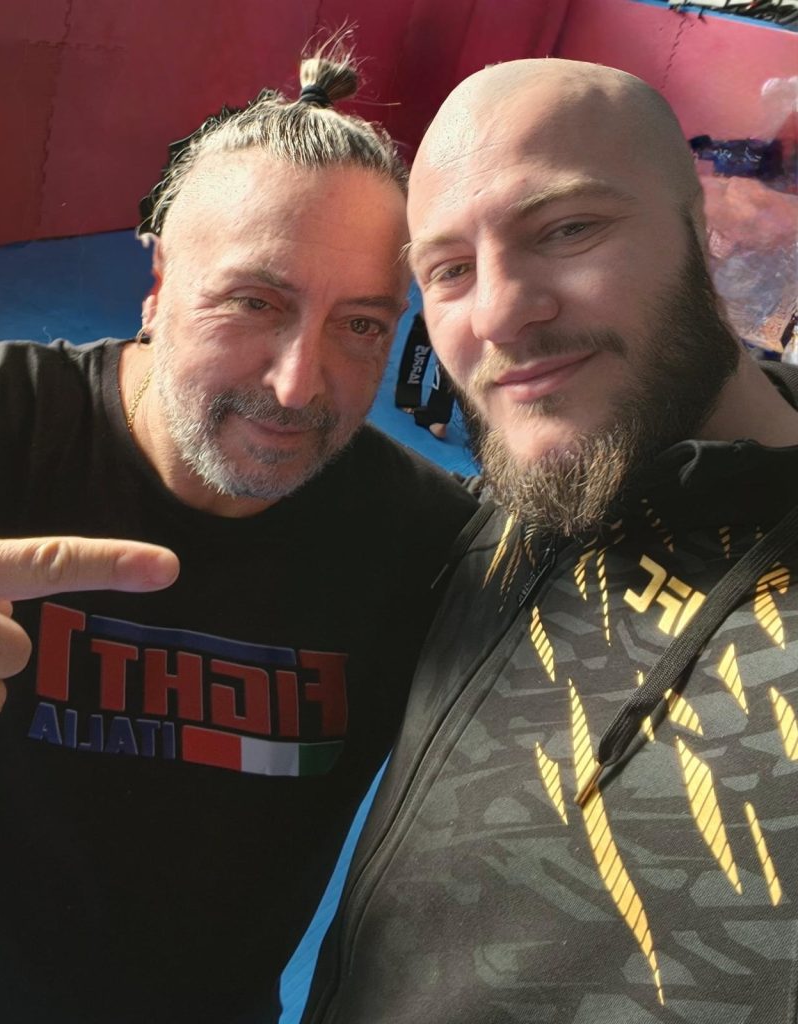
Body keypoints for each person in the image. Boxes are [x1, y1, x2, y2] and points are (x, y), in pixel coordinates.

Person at [0, 45, 477, 1024]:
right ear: (158, 284)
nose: (297, 385)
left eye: (361, 325)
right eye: (254, 302)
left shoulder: (432, 547)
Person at [302, 59, 798, 1024]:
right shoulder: (508, 512)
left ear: (704, 231)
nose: (496, 314)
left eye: (568, 229)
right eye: (449, 270)